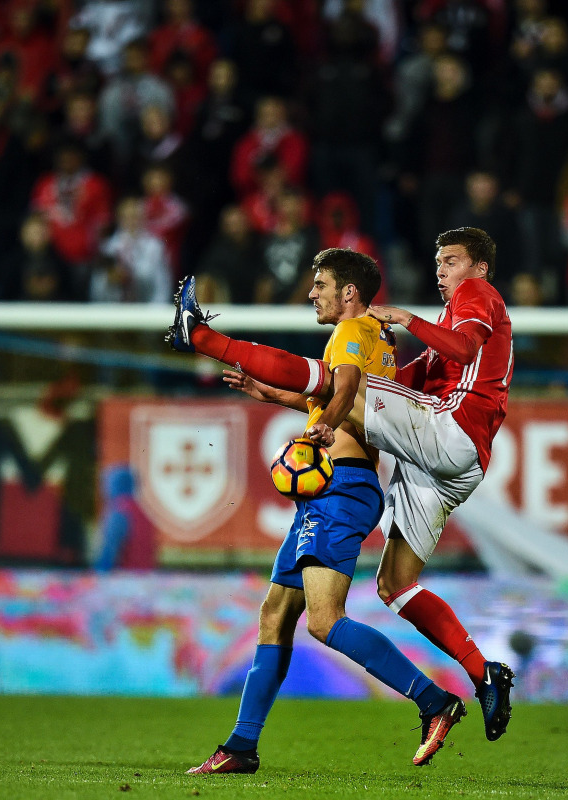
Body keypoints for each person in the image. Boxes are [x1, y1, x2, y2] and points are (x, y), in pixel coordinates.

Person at [167, 227, 515, 745]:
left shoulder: (476, 296)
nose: (441, 272)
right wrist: (284, 396)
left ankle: (200, 337)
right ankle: (483, 673)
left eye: (452, 262)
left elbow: (459, 351)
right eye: (438, 262)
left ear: (480, 267)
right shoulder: (395, 337)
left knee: (323, 620)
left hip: (448, 432)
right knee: (395, 586)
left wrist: (404, 320)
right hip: (449, 461)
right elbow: (404, 385)